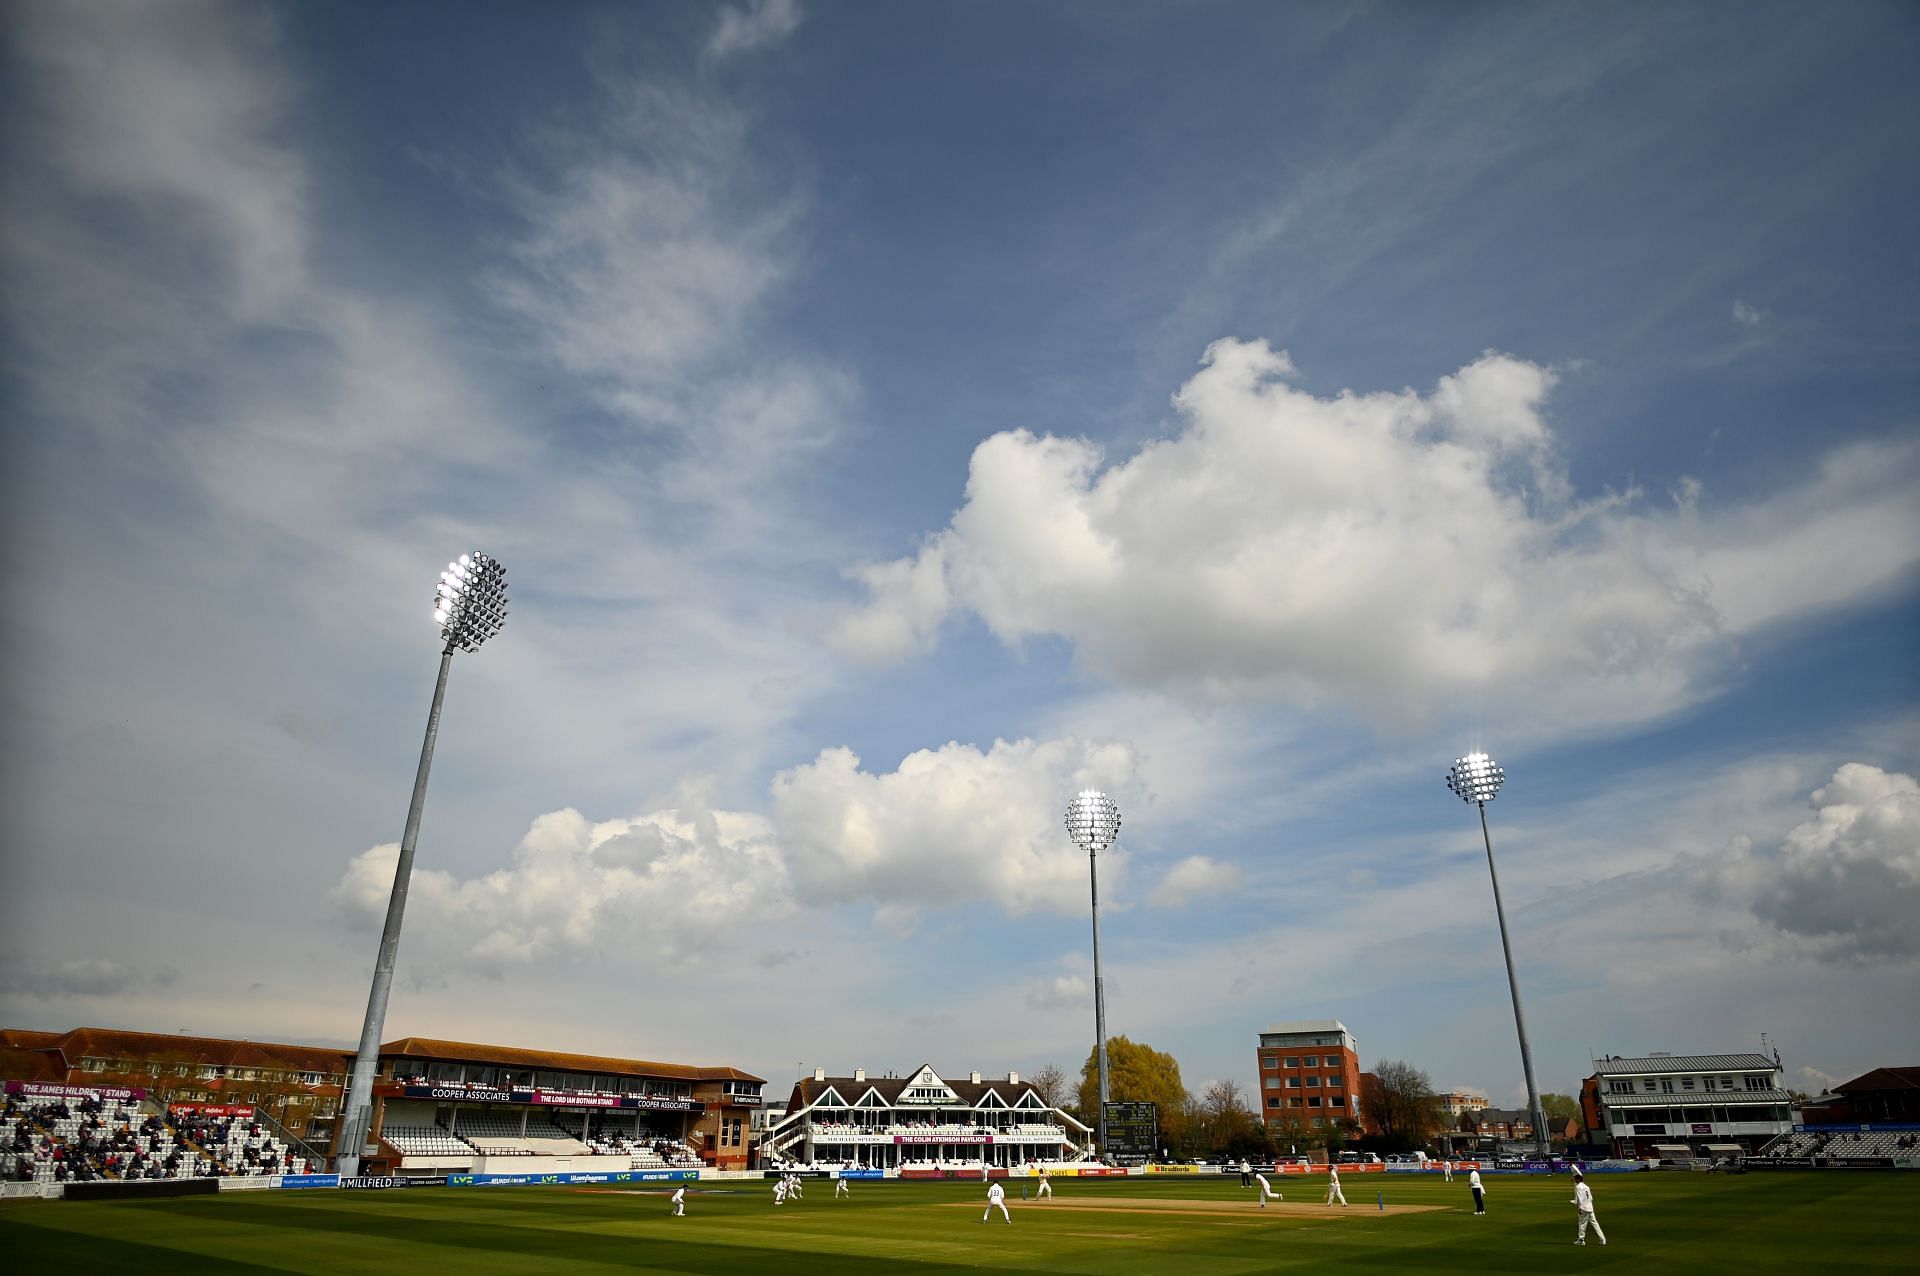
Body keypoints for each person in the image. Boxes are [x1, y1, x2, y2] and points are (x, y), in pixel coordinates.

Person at [1571, 1170, 1606, 1246]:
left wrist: (1580, 1208)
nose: (1574, 1181)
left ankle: (1581, 1240)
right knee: (1595, 1223)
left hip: (1584, 1208)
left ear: (1578, 1180)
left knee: (1582, 1224)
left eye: (1575, 1179)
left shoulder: (1578, 1187)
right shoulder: (1586, 1186)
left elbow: (1580, 1198)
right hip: (1590, 1207)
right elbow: (1591, 1198)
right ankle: (1602, 1239)